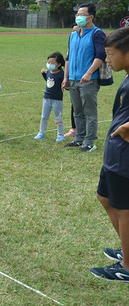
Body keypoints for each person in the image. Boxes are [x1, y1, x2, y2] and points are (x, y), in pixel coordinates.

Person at [90, 27, 129, 282]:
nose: (108, 59)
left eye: (111, 53)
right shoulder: (126, 75)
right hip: (114, 154)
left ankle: (127, 266)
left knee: (125, 210)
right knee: (104, 197)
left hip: (124, 158)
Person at [62, 3, 106, 152]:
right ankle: (79, 138)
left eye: (81, 14)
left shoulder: (97, 33)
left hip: (89, 80)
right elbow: (68, 57)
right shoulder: (73, 34)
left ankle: (90, 141)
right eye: (77, 14)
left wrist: (89, 72)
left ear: (91, 17)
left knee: (89, 112)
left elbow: (101, 55)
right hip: (73, 80)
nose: (78, 17)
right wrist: (65, 77)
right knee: (77, 111)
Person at [34, 52, 66, 142]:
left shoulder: (61, 74)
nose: (50, 64)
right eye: (49, 62)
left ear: (59, 64)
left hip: (57, 99)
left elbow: (63, 84)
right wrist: (44, 74)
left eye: (52, 63)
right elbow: (49, 82)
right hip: (47, 98)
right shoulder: (49, 72)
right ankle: (41, 133)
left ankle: (60, 135)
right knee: (44, 117)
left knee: (58, 118)